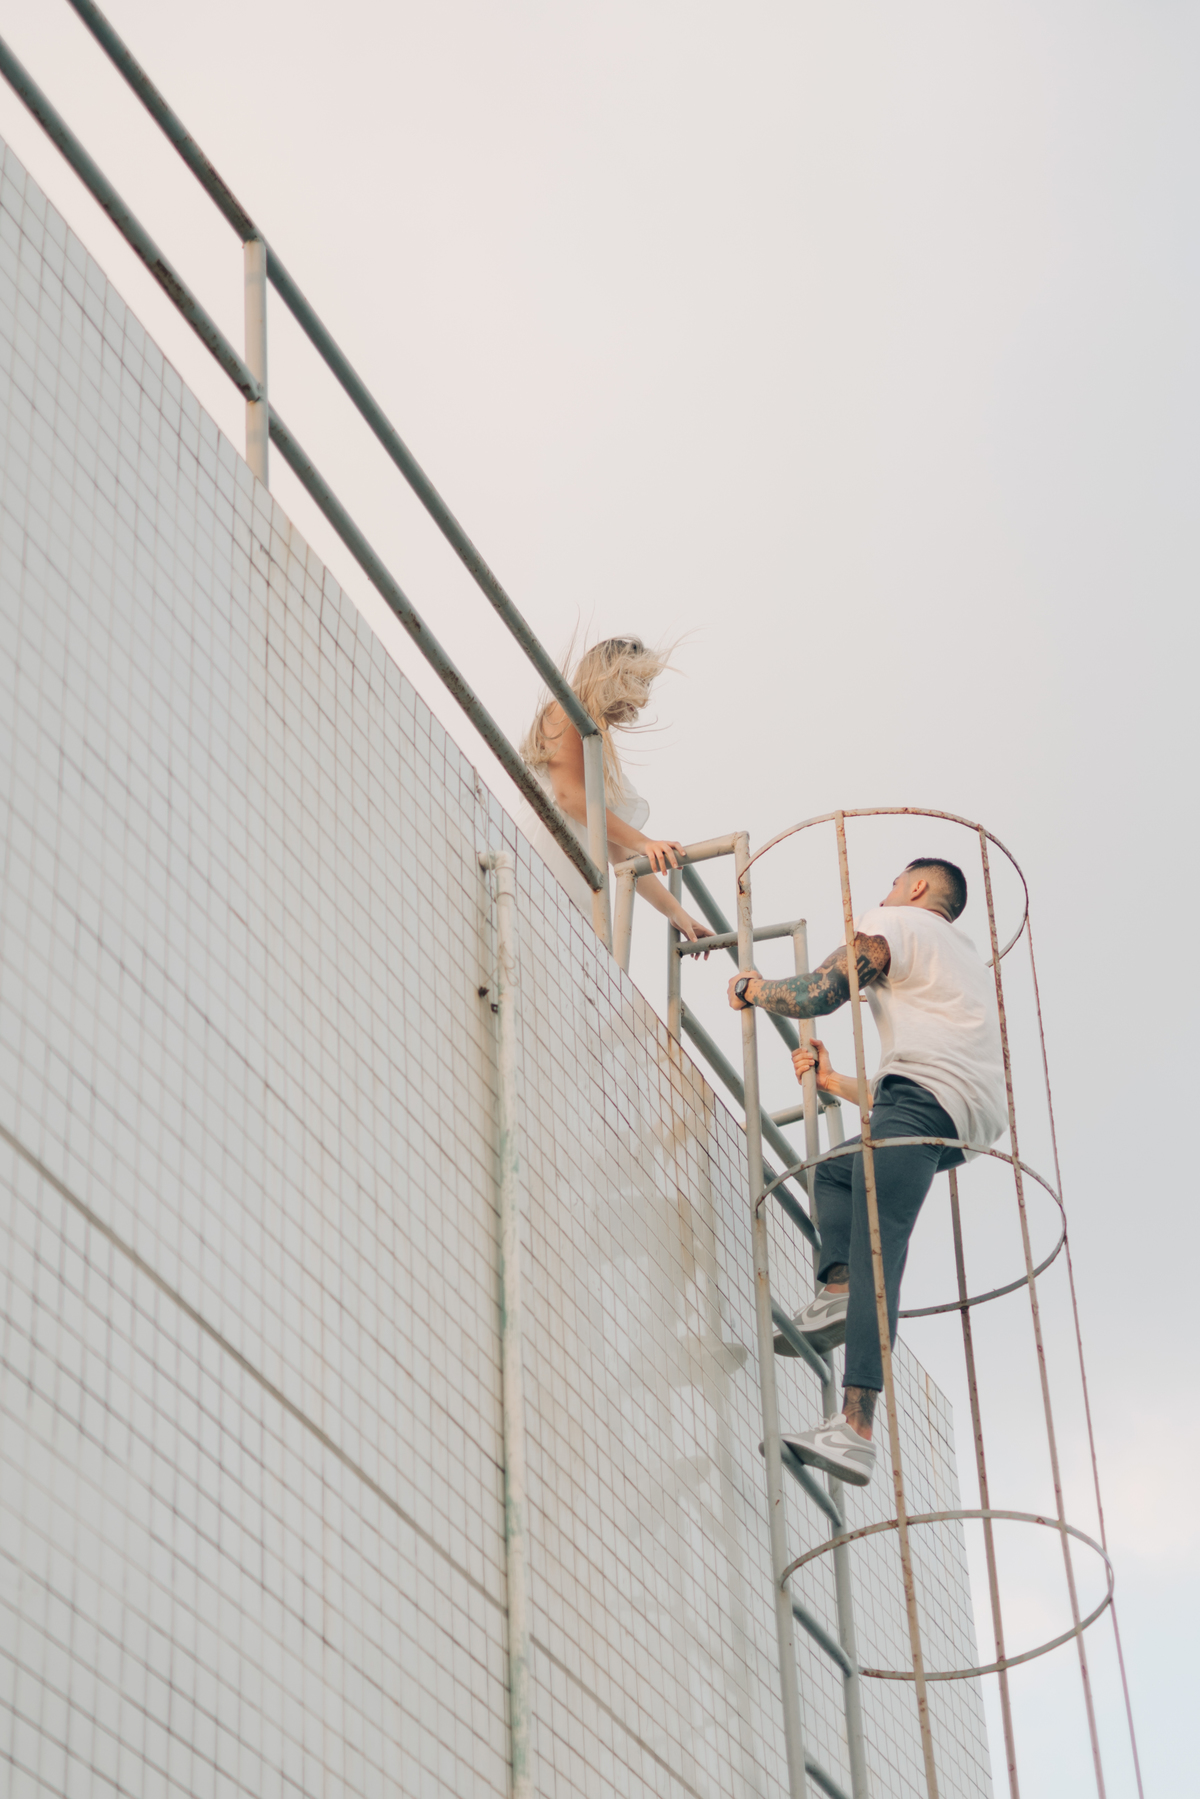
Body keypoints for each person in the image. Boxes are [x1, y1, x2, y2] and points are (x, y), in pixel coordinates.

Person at [727, 857, 1006, 1487]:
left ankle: (855, 1428)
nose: (883, 894)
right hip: (960, 1120)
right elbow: (927, 1078)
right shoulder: (963, 961)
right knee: (835, 1173)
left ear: (914, 888)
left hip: (918, 1102)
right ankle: (835, 1294)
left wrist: (755, 988)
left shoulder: (898, 921)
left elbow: (822, 992)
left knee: (881, 1250)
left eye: (892, 883)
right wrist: (832, 1083)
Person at [520, 636, 714, 946]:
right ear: (614, 676)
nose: (643, 697)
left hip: (577, 882)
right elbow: (569, 796)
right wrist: (645, 842)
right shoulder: (562, 710)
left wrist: (675, 911)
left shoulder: (598, 745)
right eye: (638, 681)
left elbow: (617, 853)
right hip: (544, 866)